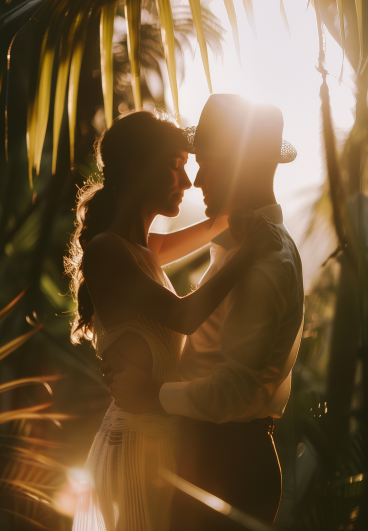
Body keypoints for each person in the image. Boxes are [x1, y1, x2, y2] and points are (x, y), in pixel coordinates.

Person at [67, 109, 282, 531]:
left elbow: (218, 221)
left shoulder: (147, 250)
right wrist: (249, 257)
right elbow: (183, 316)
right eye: (175, 166)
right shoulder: (107, 252)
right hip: (137, 444)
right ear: (136, 167)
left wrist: (247, 193)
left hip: (165, 440)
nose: (188, 181)